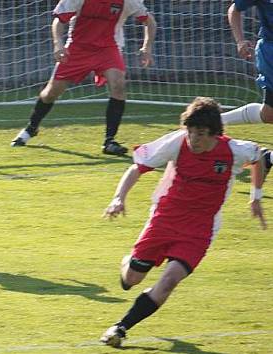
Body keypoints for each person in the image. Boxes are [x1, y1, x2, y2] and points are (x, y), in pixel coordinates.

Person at [99, 97, 267, 348]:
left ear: (215, 134)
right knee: (132, 280)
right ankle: (127, 263)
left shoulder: (233, 150)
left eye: (200, 134)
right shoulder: (176, 143)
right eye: (190, 132)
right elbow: (137, 168)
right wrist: (118, 198)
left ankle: (120, 328)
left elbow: (261, 158)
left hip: (199, 229)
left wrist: (255, 197)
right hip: (165, 220)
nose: (193, 139)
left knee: (168, 281)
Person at [10, 0, 156, 156]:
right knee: (51, 92)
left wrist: (147, 47)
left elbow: (150, 21)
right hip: (77, 47)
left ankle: (109, 141)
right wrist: (58, 44)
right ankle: (31, 128)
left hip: (108, 48)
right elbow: (59, 21)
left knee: (118, 85)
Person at [221, 1, 273, 174]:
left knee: (268, 114)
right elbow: (235, 9)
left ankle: (268, 158)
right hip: (271, 53)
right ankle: (217, 121)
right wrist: (240, 40)